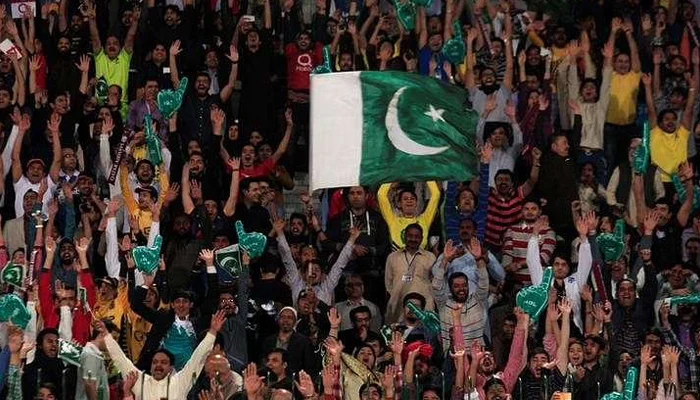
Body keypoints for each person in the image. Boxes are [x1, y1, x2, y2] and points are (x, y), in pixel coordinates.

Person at [99, 310, 226, 400]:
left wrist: (213, 332)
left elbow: (197, 358)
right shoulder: (140, 380)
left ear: (171, 367)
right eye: (155, 362)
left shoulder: (180, 382)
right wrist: (106, 335)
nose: (158, 365)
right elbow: (121, 359)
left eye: (164, 362)